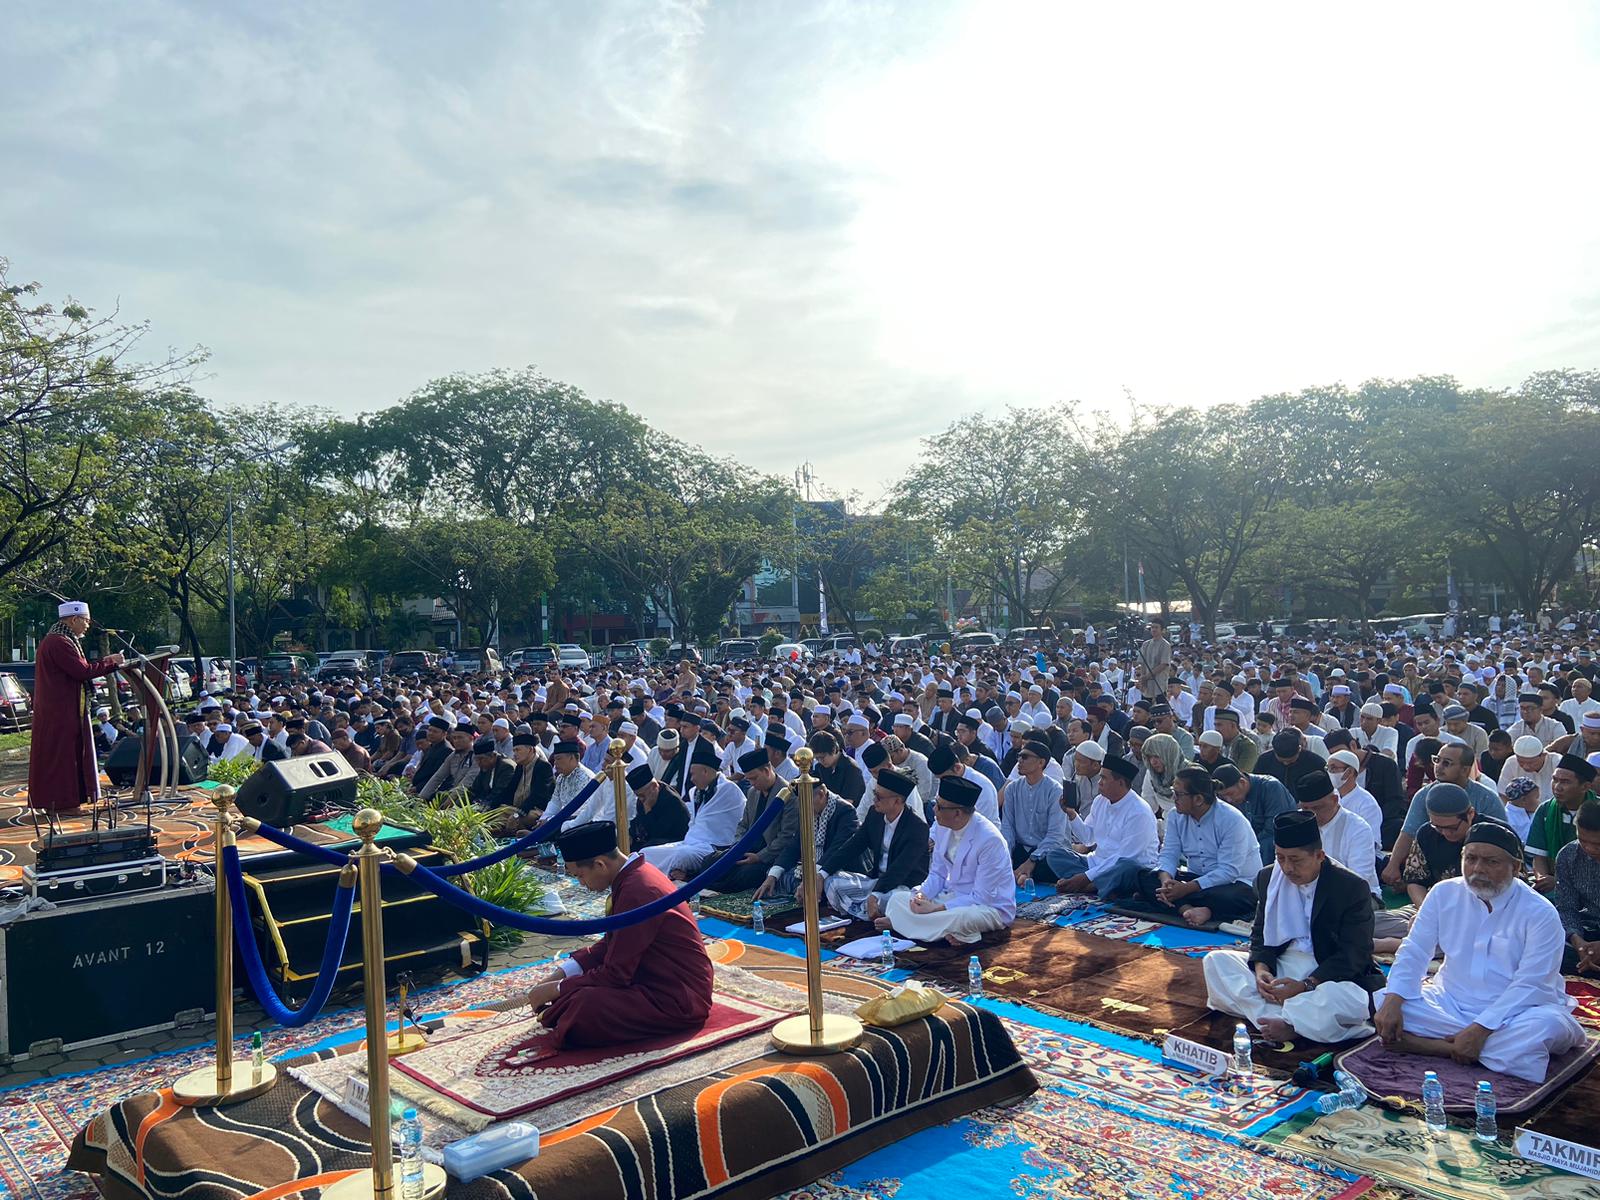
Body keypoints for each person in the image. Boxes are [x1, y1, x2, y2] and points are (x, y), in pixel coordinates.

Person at [1374, 819, 1586, 1083]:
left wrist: (1481, 1028)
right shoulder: (1443, 893)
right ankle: (1460, 1048)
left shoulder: (1540, 913)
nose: (1477, 869)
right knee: (1384, 1000)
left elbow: (1532, 984)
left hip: (1517, 1012)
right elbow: (1415, 949)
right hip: (1449, 1001)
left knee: (1546, 1028)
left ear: (1516, 867)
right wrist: (1395, 999)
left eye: (1491, 862)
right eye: (1470, 858)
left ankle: (1432, 1046)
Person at [523, 821, 713, 1052]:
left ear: (600, 864)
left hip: (678, 997)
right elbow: (613, 943)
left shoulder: (638, 890)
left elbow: (616, 974)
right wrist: (561, 975)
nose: (581, 884)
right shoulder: (634, 876)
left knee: (583, 1007)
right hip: (656, 981)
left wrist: (558, 988)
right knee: (574, 998)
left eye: (580, 876)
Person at [1201, 811, 1383, 1043]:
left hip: (1327, 974)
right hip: (1283, 966)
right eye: (1280, 858)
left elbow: (1355, 954)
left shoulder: (1351, 887)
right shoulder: (1268, 877)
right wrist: (1261, 970)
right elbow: (1260, 933)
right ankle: (1290, 1021)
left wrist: (1306, 985)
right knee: (1216, 962)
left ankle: (1283, 1019)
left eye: (1295, 860)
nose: (1287, 868)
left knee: (1342, 999)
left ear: (1319, 855)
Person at [883, 775, 1016, 945]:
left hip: (986, 907)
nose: (934, 811)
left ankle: (905, 925)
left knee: (963, 918)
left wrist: (937, 908)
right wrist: (922, 896)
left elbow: (982, 897)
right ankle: (944, 931)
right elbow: (937, 874)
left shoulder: (990, 841)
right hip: (950, 897)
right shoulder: (941, 826)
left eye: (939, 807)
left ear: (957, 813)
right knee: (897, 899)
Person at [1129, 767, 1261, 924]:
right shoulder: (1174, 816)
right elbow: (1169, 853)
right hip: (1196, 880)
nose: (1173, 798)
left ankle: (1194, 907)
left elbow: (1228, 871)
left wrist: (1185, 889)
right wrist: (1166, 881)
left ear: (1198, 799)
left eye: (1178, 794)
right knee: (1145, 876)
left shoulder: (1232, 820)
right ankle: (1187, 909)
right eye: (1173, 792)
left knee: (1234, 898)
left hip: (1234, 883)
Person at [28, 600, 125, 813]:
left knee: (67, 756)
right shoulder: (59, 642)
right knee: (65, 758)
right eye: (86, 621)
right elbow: (82, 671)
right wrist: (111, 662)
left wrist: (105, 661)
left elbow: (81, 668)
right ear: (74, 619)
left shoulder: (62, 639)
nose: (88, 626)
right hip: (61, 712)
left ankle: (66, 801)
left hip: (63, 709)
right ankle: (63, 804)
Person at [821, 768, 931, 922]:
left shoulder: (917, 828)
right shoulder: (875, 814)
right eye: (874, 794)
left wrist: (876, 894)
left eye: (879, 797)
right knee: (833, 881)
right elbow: (853, 846)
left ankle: (862, 910)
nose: (874, 801)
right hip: (875, 882)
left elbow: (900, 870)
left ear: (897, 801)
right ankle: (867, 912)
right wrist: (822, 873)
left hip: (902, 886)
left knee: (895, 901)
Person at [1054, 753, 1160, 896]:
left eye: (1104, 778)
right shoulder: (1100, 801)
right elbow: (1088, 838)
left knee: (1127, 868)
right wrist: (1071, 814)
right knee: (1055, 855)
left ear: (1121, 783)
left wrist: (1087, 876)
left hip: (1127, 868)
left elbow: (1125, 857)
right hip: (1097, 862)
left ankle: (1092, 885)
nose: (1099, 782)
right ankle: (1097, 885)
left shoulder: (1139, 812)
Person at [640, 737, 745, 878]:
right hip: (690, 842)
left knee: (682, 856)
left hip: (712, 847)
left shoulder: (727, 789)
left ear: (705, 772)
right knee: (646, 853)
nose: (691, 779)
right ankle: (655, 877)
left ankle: (670, 877)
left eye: (693, 774)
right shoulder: (695, 791)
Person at [1001, 742, 1076, 887]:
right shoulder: (1012, 789)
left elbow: (1055, 836)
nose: (1020, 761)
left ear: (1041, 762)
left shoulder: (1055, 791)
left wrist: (1032, 860)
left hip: (1047, 852)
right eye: (1019, 756)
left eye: (1025, 757)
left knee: (1053, 864)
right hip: (1022, 850)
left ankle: (1026, 873)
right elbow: (1007, 828)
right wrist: (1005, 856)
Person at [1529, 754, 1598, 891]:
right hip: (1551, 885)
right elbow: (1539, 857)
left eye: (1565, 782)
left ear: (1585, 787)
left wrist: (1560, 882)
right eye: (1555, 780)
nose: (1557, 787)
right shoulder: (1545, 810)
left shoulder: (1597, 810)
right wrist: (1542, 879)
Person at [1212, 763, 1297, 864]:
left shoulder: (1270, 787)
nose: (1228, 800)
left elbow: (1273, 831)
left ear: (1242, 782)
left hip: (1275, 848)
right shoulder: (1229, 800)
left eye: (1230, 794)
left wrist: (1245, 849)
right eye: (1223, 797)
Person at [1554, 799, 1600, 975]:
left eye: (1597, 844)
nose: (1589, 848)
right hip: (1588, 930)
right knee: (1554, 951)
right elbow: (1566, 907)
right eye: (1582, 840)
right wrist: (1577, 941)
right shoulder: (1568, 855)